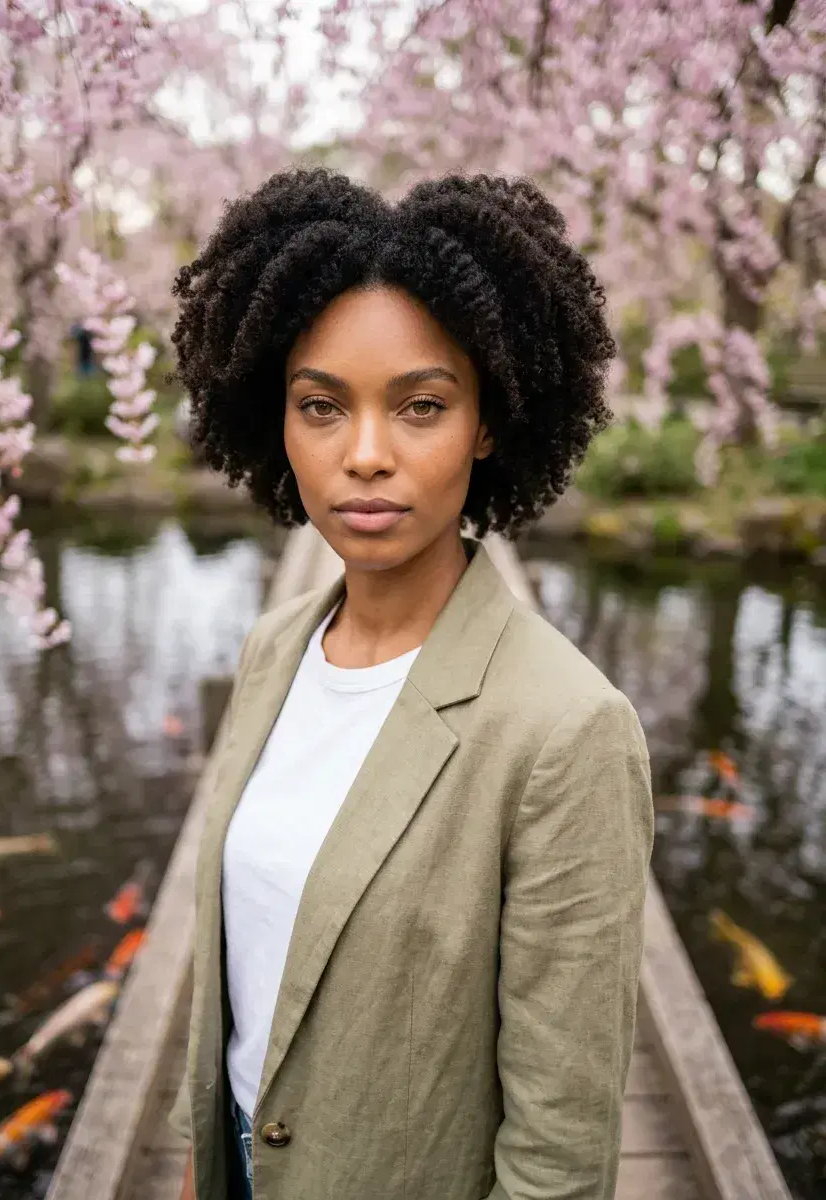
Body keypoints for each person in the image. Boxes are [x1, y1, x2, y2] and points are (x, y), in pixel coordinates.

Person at [167, 167, 654, 1200]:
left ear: (486, 423)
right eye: (320, 407)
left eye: (420, 406)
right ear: (275, 419)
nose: (366, 456)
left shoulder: (566, 732)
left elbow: (559, 1151)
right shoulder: (274, 649)